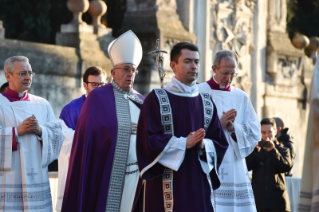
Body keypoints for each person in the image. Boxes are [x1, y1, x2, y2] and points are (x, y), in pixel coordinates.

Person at [135, 42, 229, 212]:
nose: (193, 66)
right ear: (173, 65)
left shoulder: (207, 102)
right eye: (187, 61)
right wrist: (183, 143)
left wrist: (203, 145)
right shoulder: (156, 99)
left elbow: (220, 143)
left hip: (199, 185)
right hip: (166, 186)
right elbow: (147, 141)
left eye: (197, 62)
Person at [61, 30, 145, 212]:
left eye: (133, 70)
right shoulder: (98, 97)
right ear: (113, 72)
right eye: (126, 69)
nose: (130, 74)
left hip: (137, 177)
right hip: (106, 175)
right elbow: (90, 136)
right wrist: (124, 129)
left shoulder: (142, 101)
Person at [198, 50, 261, 212]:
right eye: (225, 73)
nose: (228, 78)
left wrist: (234, 129)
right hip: (207, 159)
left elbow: (255, 132)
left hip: (234, 162)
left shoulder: (241, 97)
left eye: (233, 74)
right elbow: (189, 128)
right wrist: (218, 125)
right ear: (214, 68)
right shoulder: (198, 92)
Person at [0, 56, 64, 211]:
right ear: (8, 76)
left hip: (37, 177)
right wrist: (16, 132)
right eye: (22, 73)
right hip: (9, 180)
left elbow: (58, 135)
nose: (28, 77)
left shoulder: (42, 104)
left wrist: (42, 131)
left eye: (30, 73)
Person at [55, 66, 107, 211]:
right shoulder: (71, 109)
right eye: (94, 84)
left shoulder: (111, 108)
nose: (98, 88)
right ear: (85, 85)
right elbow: (65, 139)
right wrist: (94, 140)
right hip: (79, 169)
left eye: (102, 85)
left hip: (102, 169)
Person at [246, 118, 292, 212]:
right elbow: (247, 166)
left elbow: (286, 167)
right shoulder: (256, 150)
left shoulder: (283, 149)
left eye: (269, 132)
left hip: (278, 202)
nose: (267, 136)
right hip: (259, 203)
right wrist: (254, 151)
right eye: (263, 132)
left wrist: (273, 151)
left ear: (275, 132)